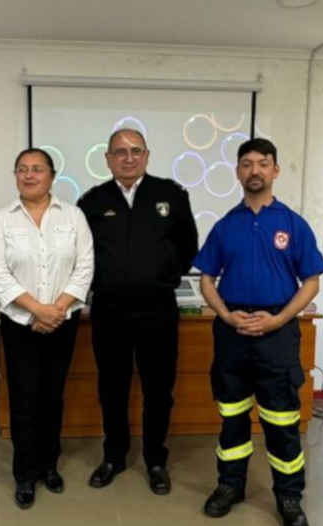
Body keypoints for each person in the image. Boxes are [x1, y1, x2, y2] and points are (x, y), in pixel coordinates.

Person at [193, 137, 323, 526]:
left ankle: (289, 498)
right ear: (238, 172)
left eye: (263, 163)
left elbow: (312, 282)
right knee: (231, 418)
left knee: (282, 421)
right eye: (247, 164)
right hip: (232, 334)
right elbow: (205, 279)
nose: (255, 170)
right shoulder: (225, 226)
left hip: (277, 336)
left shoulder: (292, 223)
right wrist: (226, 315)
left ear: (275, 171)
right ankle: (230, 485)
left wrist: (278, 320)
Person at [77, 128, 197, 495]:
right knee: (111, 387)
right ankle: (113, 456)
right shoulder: (92, 201)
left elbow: (188, 246)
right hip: (109, 312)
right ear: (108, 158)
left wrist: (160, 276)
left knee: (159, 389)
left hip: (157, 310)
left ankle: (155, 460)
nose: (128, 158)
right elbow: (82, 255)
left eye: (135, 151)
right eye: (119, 152)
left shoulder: (171, 195)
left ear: (146, 155)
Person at [0, 148, 94, 509]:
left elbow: (84, 268)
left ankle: (49, 465)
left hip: (62, 323)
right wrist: (37, 310)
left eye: (37, 169)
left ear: (52, 175)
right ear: (15, 175)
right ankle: (24, 473)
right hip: (20, 324)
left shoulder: (74, 216)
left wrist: (57, 310)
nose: (29, 175)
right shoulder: (2, 220)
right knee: (24, 400)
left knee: (52, 396)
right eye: (22, 170)